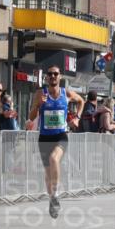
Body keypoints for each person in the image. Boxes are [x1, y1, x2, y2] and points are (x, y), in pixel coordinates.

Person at [26, 65, 84, 219]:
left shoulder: (66, 93)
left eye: (55, 74)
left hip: (60, 136)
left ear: (60, 76)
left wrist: (77, 118)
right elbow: (31, 117)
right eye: (50, 74)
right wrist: (38, 105)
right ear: (46, 77)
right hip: (44, 137)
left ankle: (56, 193)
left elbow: (81, 101)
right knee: (47, 173)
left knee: (54, 159)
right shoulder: (40, 94)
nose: (52, 76)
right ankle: (52, 198)